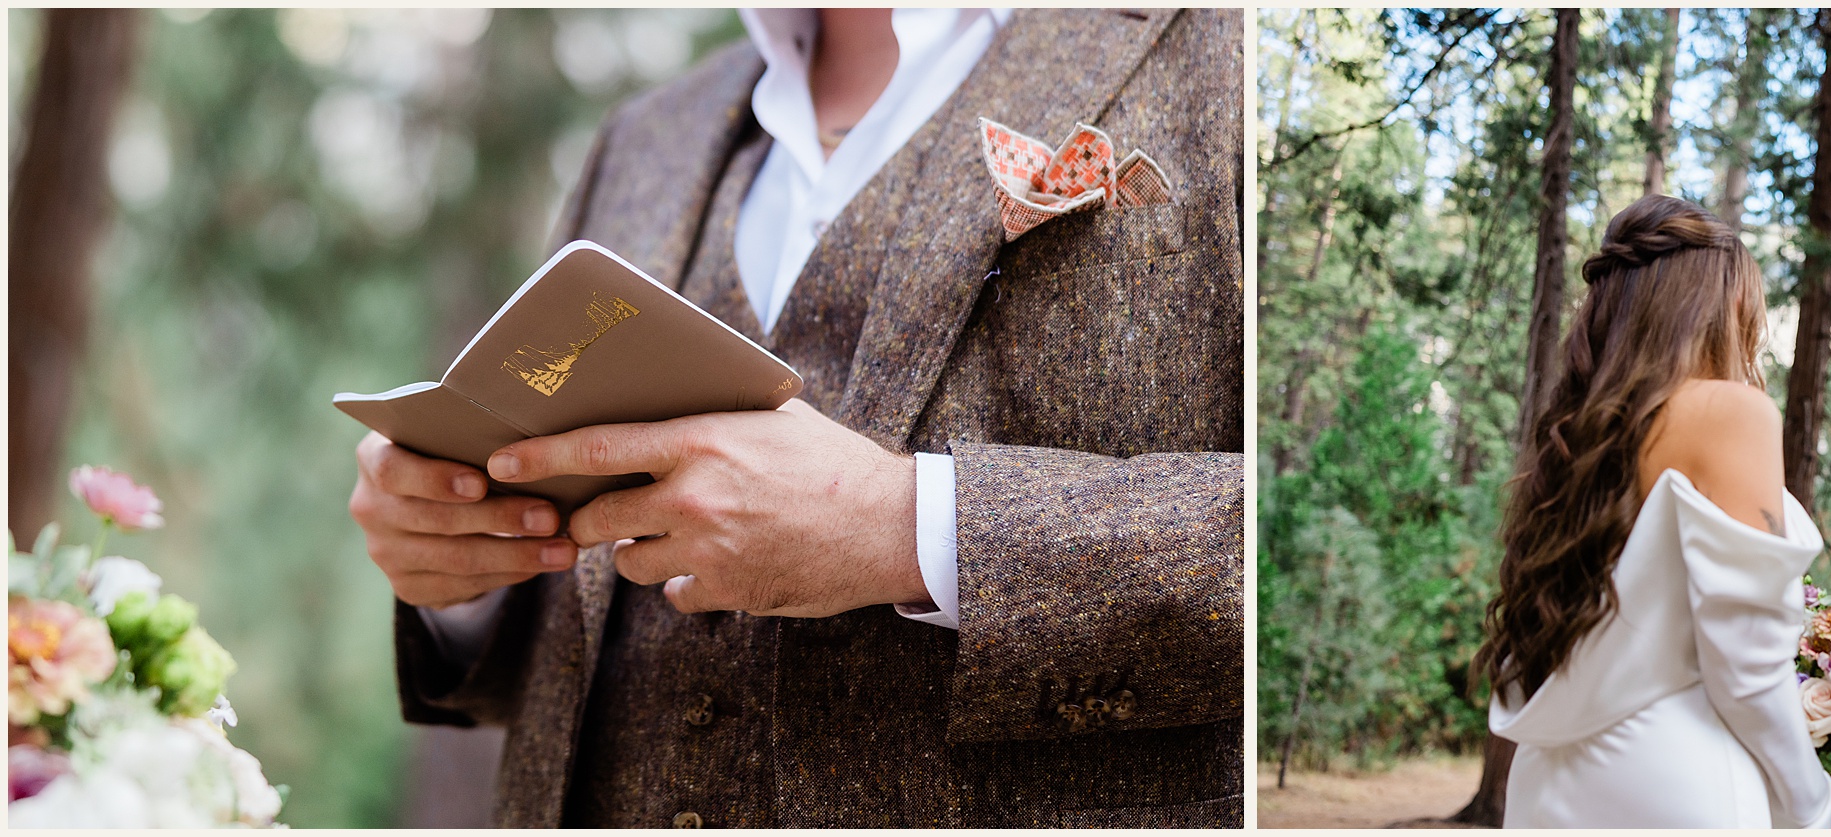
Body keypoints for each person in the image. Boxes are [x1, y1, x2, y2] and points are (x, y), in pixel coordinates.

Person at [346, 8, 1243, 827]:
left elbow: (1294, 530)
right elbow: (571, 644)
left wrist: (911, 527)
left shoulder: (1227, 52)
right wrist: (462, 574)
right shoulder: (643, 137)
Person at [1477, 195, 1831, 829]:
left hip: (1545, 783)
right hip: (1678, 780)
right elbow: (1747, 665)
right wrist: (1810, 800)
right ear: (1719, 305)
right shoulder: (1730, 410)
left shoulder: (1574, 440)